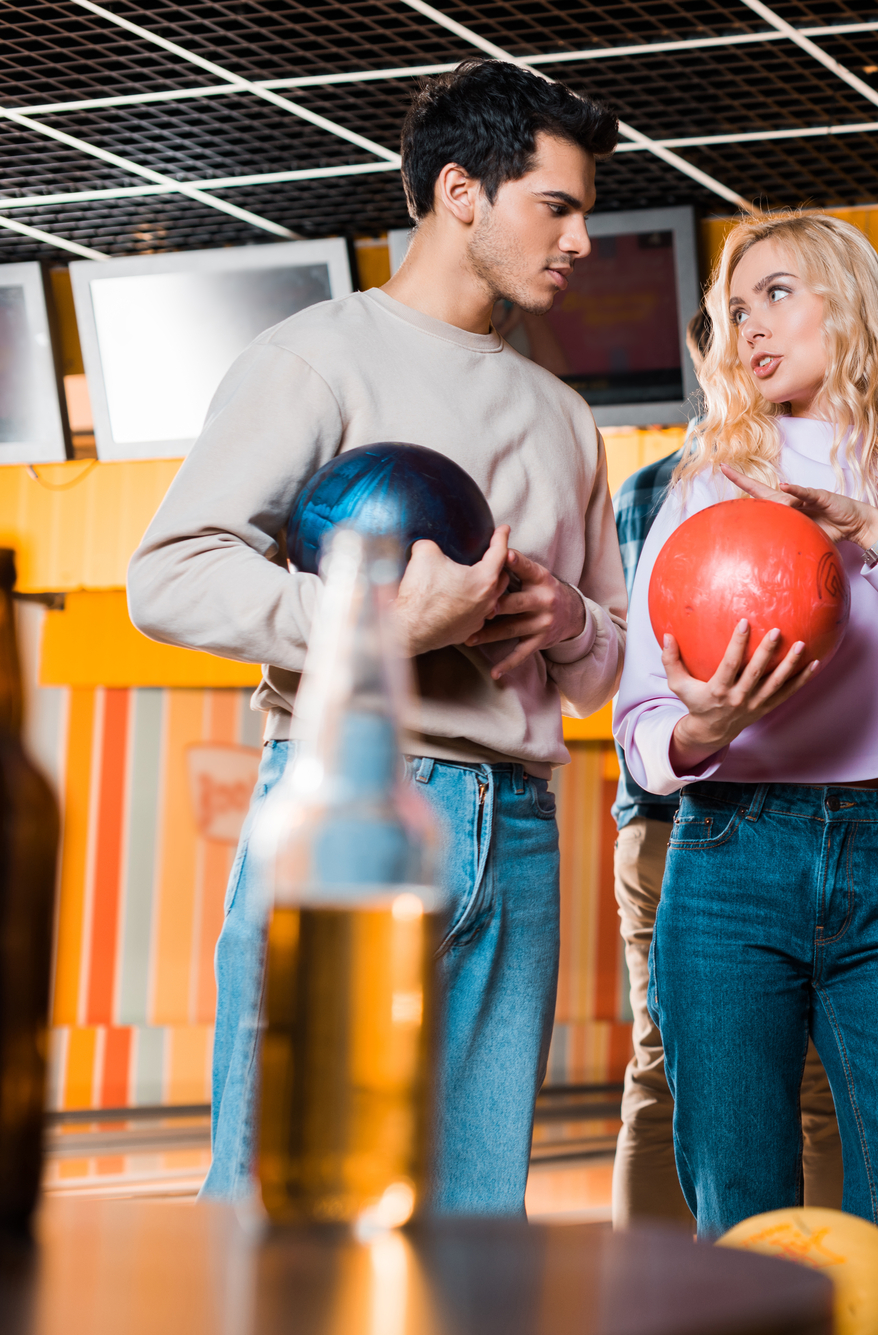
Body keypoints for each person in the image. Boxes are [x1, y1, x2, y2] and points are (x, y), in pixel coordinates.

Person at [127, 58, 627, 1214]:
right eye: (557, 206)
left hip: (521, 831)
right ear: (462, 193)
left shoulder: (564, 415)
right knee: (274, 1203)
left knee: (471, 1217)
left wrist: (564, 618)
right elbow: (169, 577)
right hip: (347, 799)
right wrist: (385, 625)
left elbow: (605, 669)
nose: (581, 240)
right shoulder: (316, 357)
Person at [613, 212, 878, 1299]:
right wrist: (701, 730)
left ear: (849, 304)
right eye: (730, 308)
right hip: (725, 859)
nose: (743, 327)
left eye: (775, 295)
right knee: (739, 1213)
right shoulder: (703, 487)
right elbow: (638, 720)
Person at [608, 310, 842, 1228]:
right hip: (765, 817)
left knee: (662, 1066)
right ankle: (830, 1296)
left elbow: (620, 671)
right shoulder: (810, 487)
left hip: (653, 817)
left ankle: (653, 1296)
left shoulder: (643, 490)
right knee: (819, 1082)